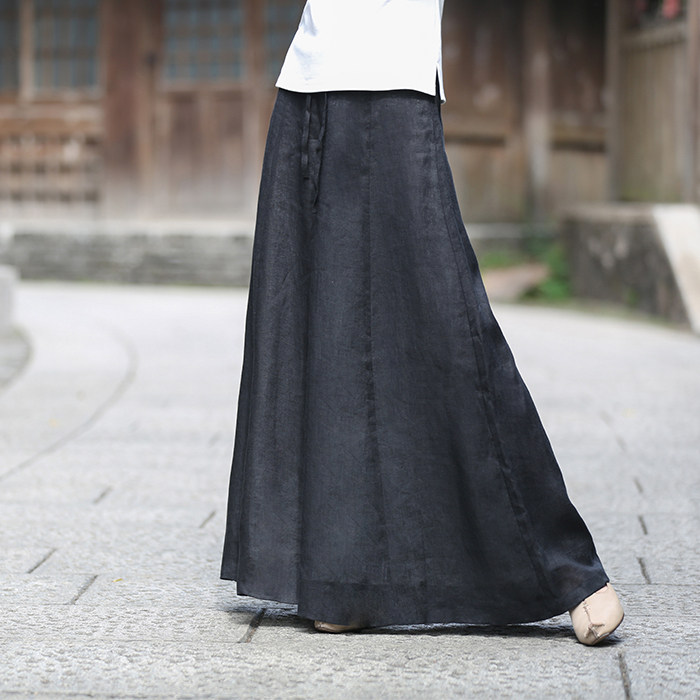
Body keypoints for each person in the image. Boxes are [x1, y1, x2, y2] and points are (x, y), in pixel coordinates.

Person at [221, 0, 624, 645]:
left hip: (394, 82)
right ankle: (345, 577)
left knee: (449, 321)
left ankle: (566, 568)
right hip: (308, 82)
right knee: (323, 336)